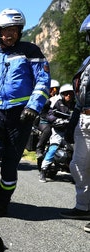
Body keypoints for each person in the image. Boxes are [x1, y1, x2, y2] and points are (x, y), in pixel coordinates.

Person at [0, 8, 50, 219]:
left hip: (21, 115)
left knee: (10, 164)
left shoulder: (31, 52)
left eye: (14, 30)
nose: (10, 34)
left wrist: (33, 106)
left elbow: (42, 81)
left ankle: (3, 204)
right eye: (6, 30)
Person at [62, 14, 90, 229]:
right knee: (78, 164)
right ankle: (83, 207)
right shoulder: (87, 62)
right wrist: (72, 122)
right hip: (84, 118)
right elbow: (81, 95)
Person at [39, 84, 75, 182]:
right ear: (62, 94)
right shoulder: (57, 103)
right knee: (54, 148)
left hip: (71, 130)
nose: (69, 96)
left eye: (71, 94)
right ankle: (43, 170)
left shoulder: (75, 105)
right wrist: (57, 120)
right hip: (59, 129)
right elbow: (49, 114)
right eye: (66, 94)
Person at [36, 79, 61, 170]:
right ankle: (39, 149)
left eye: (56, 89)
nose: (54, 91)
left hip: (54, 121)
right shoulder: (43, 98)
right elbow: (43, 112)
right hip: (42, 121)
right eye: (52, 89)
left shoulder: (58, 100)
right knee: (48, 130)